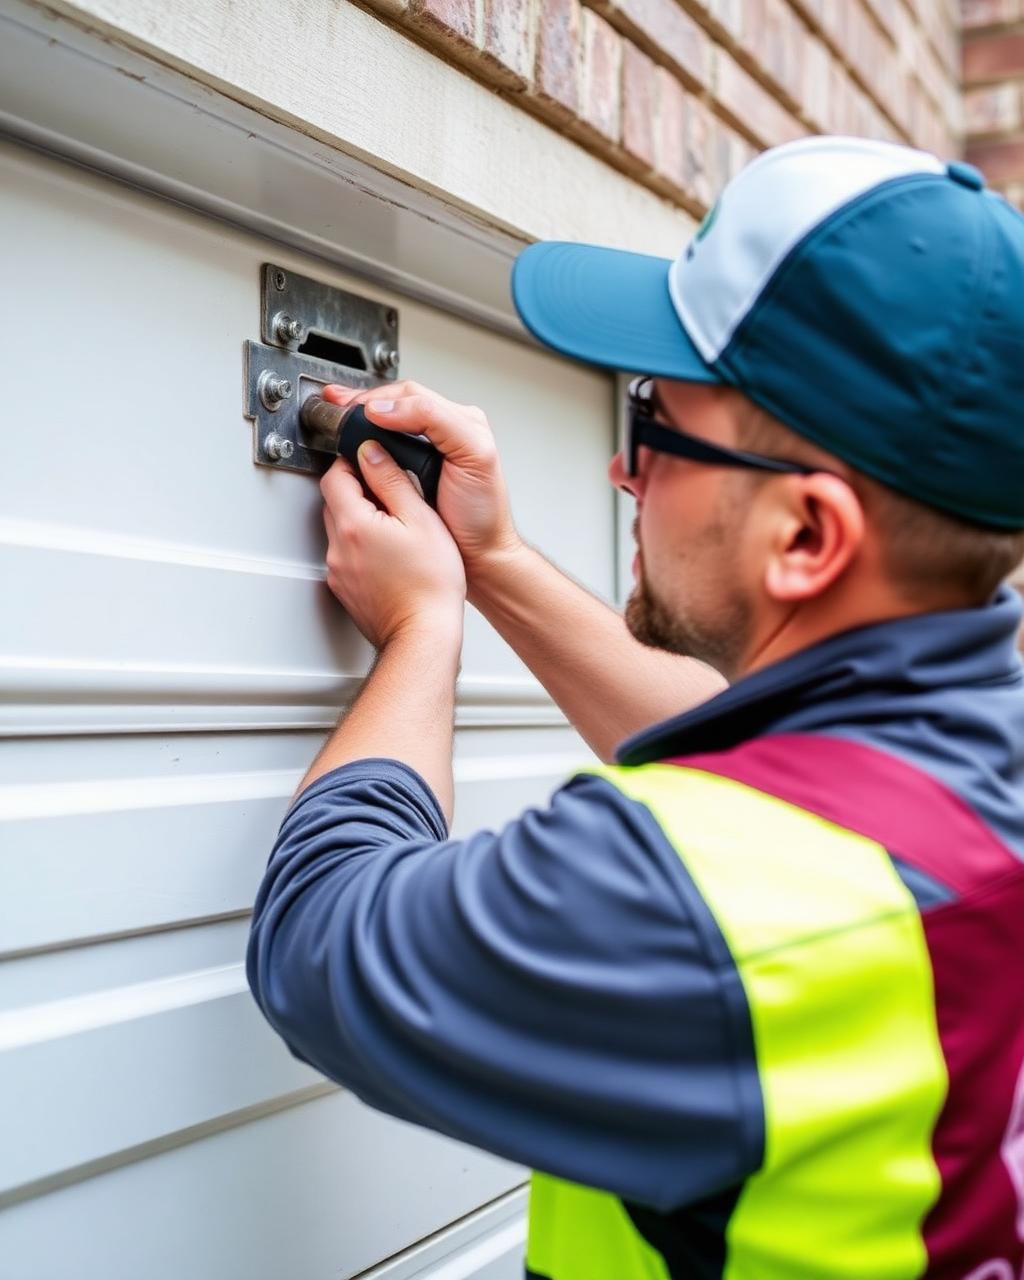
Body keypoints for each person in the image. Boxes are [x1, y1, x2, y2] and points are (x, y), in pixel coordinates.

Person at [246, 136, 1024, 1277]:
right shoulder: (975, 755)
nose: (624, 472)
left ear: (807, 534)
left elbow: (321, 944)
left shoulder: (708, 905)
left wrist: (422, 630)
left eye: (652, 423)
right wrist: (492, 560)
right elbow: (770, 759)